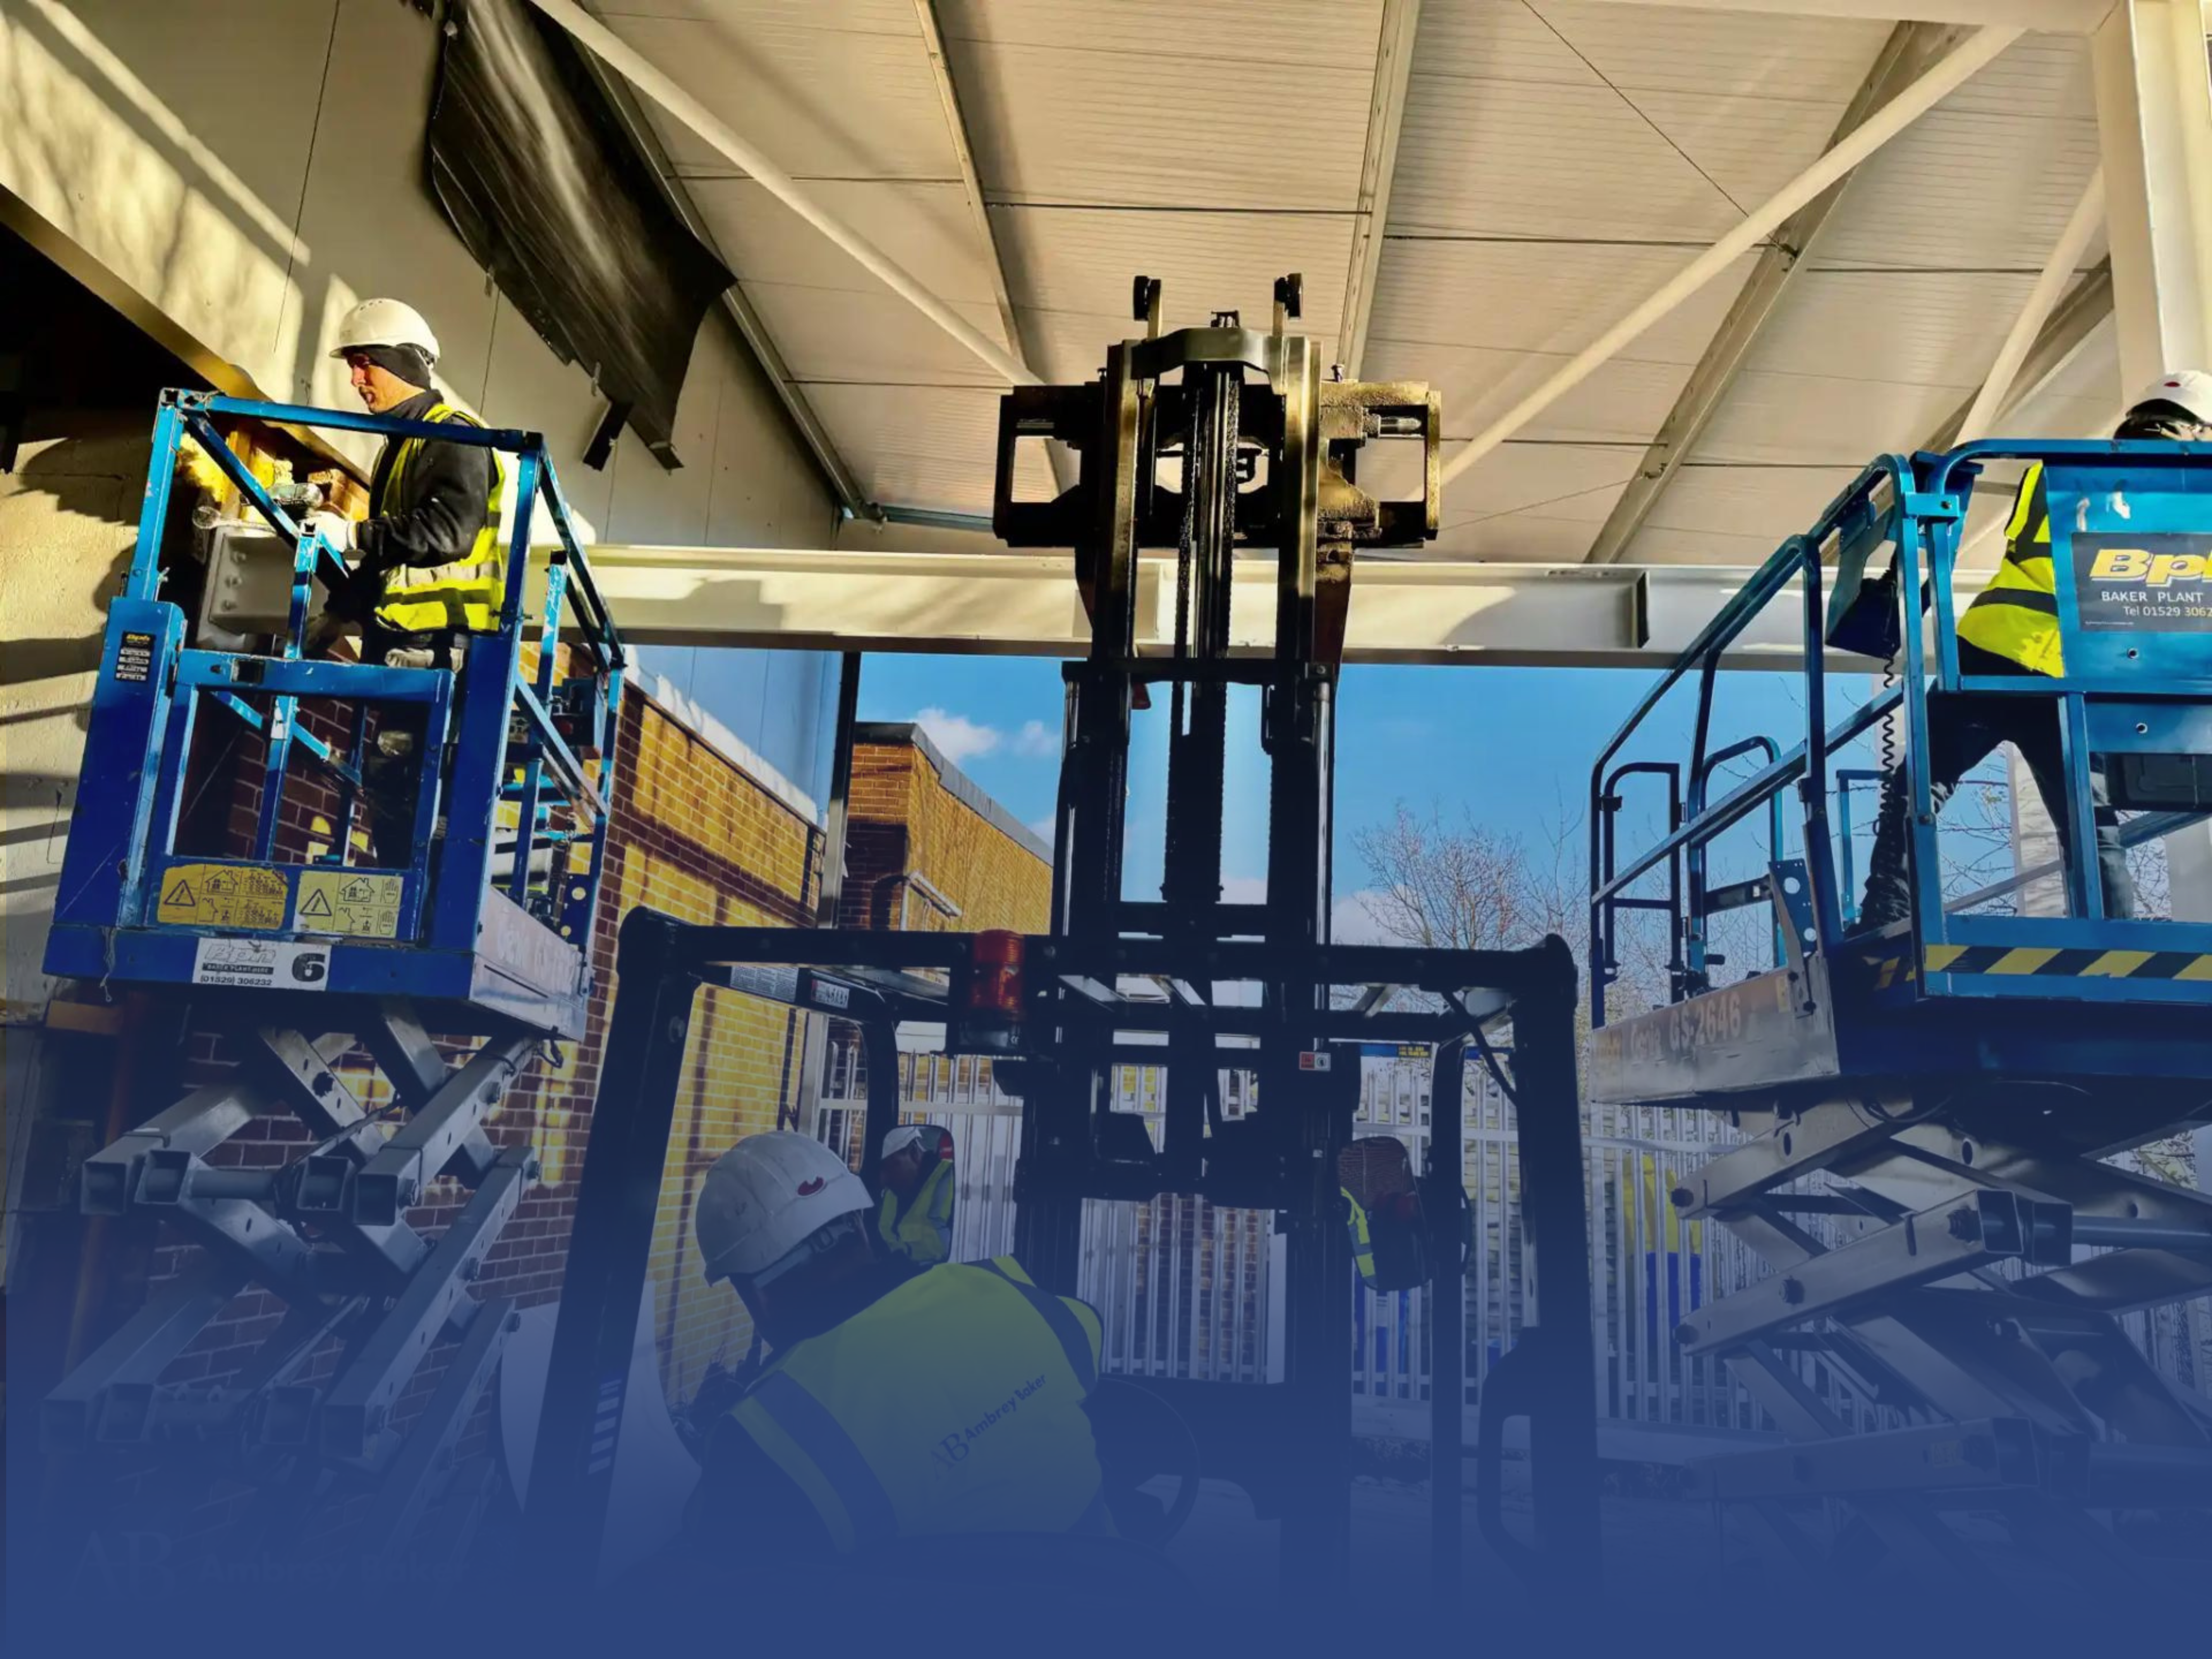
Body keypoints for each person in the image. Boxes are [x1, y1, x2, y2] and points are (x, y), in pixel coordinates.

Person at [1857, 371, 2212, 931]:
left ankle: (1888, 911)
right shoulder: (2196, 491)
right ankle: (2114, 936)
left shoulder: (2055, 470)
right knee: (2089, 821)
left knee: (1922, 783)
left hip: (1992, 651)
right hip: (2078, 676)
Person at [684, 1131, 1113, 1559]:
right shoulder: (994, 1285)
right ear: (860, 1227)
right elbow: (1088, 1331)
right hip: (1109, 1596)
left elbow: (715, 1573)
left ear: (755, 1297)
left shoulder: (765, 1434)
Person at [312, 298, 507, 868]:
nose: (355, 379)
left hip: (441, 645)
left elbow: (449, 532)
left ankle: (411, 904)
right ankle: (402, 893)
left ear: (403, 363)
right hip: (409, 643)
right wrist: (338, 612)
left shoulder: (455, 437)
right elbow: (388, 562)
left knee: (407, 781)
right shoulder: (400, 448)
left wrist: (352, 534)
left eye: (365, 363)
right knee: (396, 784)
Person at [874, 1122, 955, 1265]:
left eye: (892, 1166)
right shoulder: (892, 1193)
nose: (883, 1180)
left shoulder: (949, 1180)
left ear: (914, 1153)